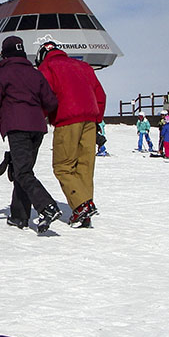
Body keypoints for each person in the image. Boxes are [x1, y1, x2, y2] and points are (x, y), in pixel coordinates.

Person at [0, 36, 60, 233]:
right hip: (37, 129)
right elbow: (51, 103)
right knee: (23, 171)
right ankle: (19, 216)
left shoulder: (3, 74)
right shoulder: (35, 74)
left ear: (5, 53)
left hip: (17, 128)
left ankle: (47, 206)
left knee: (22, 172)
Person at [36, 41, 106, 227]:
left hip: (67, 120)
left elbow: (45, 95)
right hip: (90, 120)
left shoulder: (47, 67)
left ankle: (82, 205)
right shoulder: (83, 66)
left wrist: (40, 117)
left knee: (63, 167)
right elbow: (100, 95)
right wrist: (97, 121)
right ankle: (84, 211)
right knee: (85, 166)